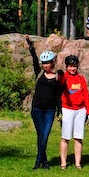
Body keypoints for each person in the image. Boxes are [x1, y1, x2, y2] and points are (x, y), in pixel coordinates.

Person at [25, 36, 61, 170]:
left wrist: (59, 111)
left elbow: (58, 96)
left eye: (48, 63)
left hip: (50, 110)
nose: (45, 65)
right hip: (37, 109)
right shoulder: (39, 73)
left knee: (45, 135)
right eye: (44, 63)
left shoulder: (57, 77)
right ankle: (44, 162)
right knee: (40, 135)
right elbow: (34, 59)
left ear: (52, 63)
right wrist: (31, 45)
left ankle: (38, 161)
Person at [59, 55, 89, 170]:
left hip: (80, 110)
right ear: (67, 67)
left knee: (78, 137)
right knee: (65, 137)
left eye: (74, 66)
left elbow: (86, 95)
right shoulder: (64, 77)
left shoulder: (81, 79)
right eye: (70, 66)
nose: (72, 69)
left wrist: (88, 111)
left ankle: (78, 163)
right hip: (67, 109)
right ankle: (63, 163)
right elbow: (60, 85)